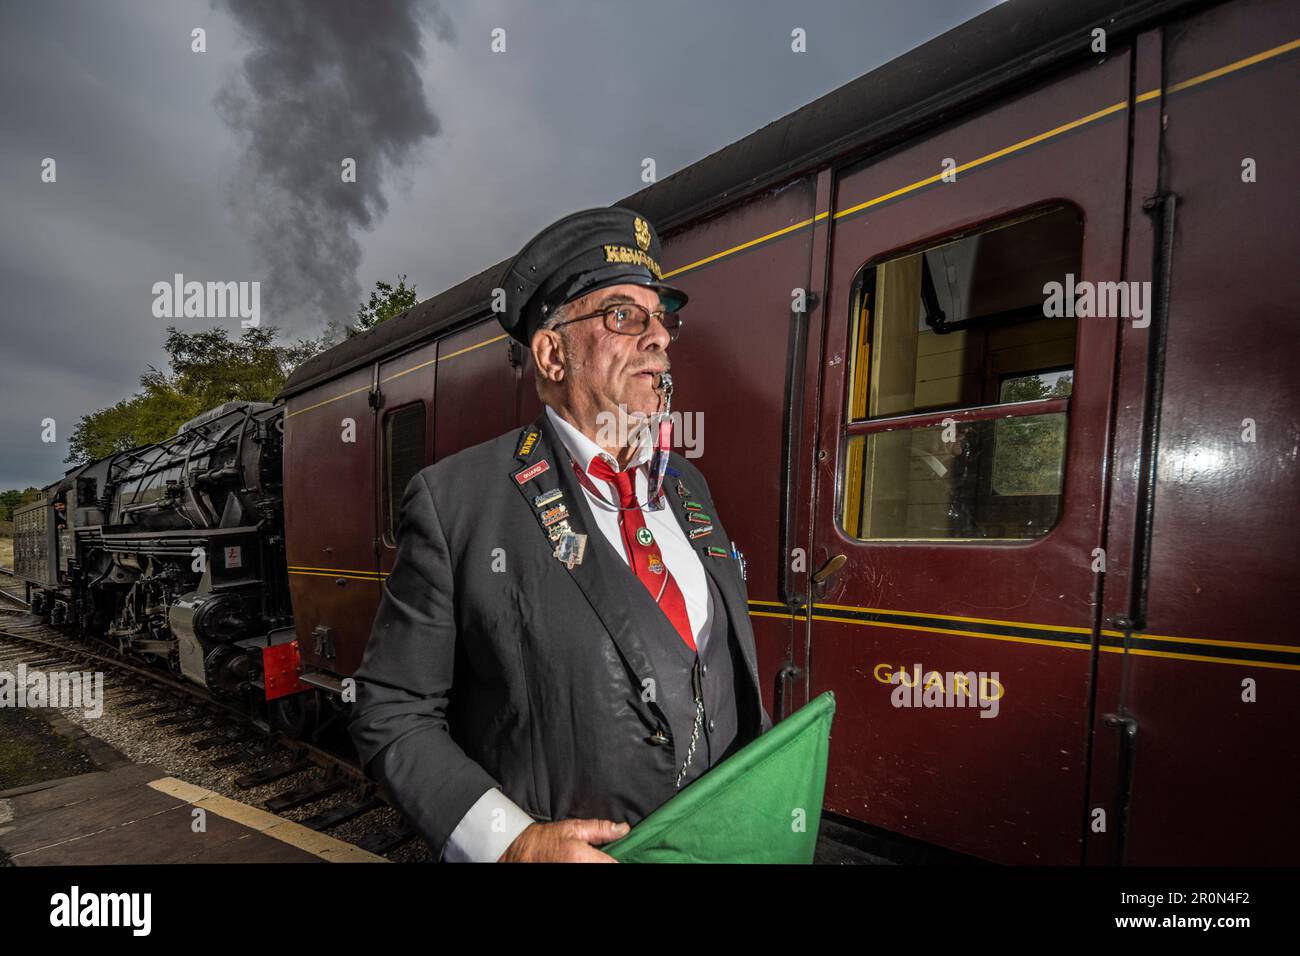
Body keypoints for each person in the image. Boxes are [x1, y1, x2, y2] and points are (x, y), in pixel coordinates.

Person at [349, 206, 771, 863]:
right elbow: (392, 711)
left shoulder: (688, 485)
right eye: (624, 316)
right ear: (552, 352)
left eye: (662, 318)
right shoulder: (457, 502)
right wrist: (513, 844)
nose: (658, 335)